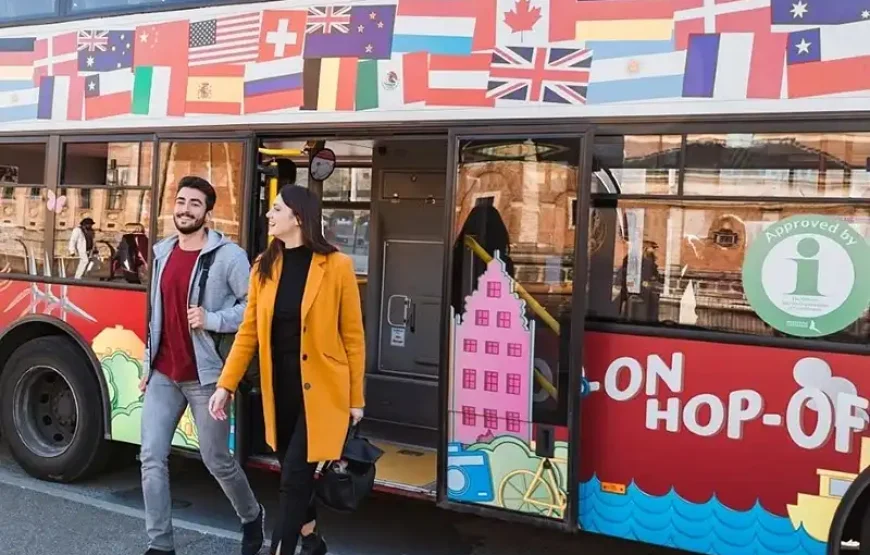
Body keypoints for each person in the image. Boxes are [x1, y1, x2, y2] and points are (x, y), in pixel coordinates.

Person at [209, 184, 365, 555]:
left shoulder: (337, 266)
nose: (269, 214)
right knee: (292, 475)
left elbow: (353, 338)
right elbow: (248, 333)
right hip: (278, 392)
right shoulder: (264, 265)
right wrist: (225, 385)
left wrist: (355, 399)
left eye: (276, 209)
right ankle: (312, 541)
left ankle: (281, 549)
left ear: (298, 217)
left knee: (293, 480)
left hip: (323, 394)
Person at [139, 176, 264, 555]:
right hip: (163, 373)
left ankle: (251, 514)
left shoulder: (229, 257)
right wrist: (148, 364)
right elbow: (155, 316)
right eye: (181, 201)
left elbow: (252, 309)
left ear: (208, 212)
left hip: (206, 378)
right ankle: (160, 545)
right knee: (150, 457)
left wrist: (211, 319)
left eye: (195, 203)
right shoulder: (162, 253)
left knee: (216, 460)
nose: (185, 209)